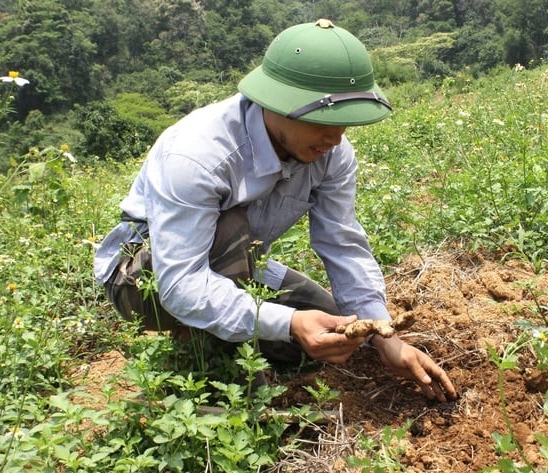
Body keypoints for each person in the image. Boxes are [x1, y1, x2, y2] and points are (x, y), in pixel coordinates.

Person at [94, 19, 457, 402]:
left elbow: (341, 242)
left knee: (335, 332)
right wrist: (289, 322)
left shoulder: (331, 154)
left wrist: (384, 335)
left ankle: (224, 335)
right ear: (276, 104)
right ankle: (225, 388)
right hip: (142, 277)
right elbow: (180, 283)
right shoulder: (198, 155)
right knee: (232, 230)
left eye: (344, 124)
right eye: (321, 122)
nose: (334, 139)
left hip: (242, 263)